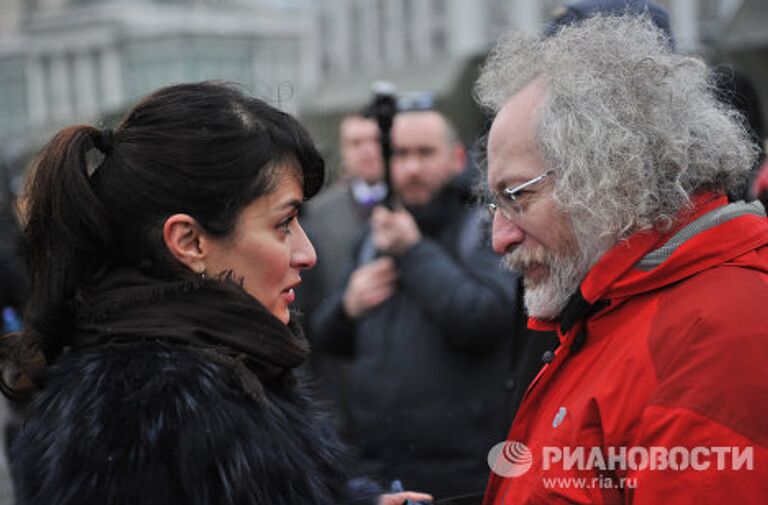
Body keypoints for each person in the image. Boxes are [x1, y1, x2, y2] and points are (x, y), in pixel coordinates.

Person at [0, 82, 431, 505]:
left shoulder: (213, 374)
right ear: (189, 241)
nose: (307, 253)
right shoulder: (147, 421)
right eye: (283, 224)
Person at [476, 15, 768, 504]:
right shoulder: (614, 306)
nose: (499, 238)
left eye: (517, 197)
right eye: (494, 203)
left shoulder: (718, 334)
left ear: (614, 175)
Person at [311, 108, 521, 499]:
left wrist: (413, 251)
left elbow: (482, 318)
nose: (411, 168)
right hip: (378, 467)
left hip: (464, 476)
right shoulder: (377, 234)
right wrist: (348, 306)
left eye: (425, 153)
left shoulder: (482, 226)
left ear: (456, 159)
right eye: (401, 154)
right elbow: (325, 337)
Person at [295, 113, 386, 434]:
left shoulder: (419, 204)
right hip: (341, 383)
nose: (366, 151)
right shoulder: (317, 215)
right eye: (355, 143)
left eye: (374, 140)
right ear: (343, 152)